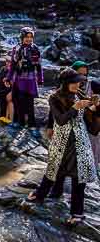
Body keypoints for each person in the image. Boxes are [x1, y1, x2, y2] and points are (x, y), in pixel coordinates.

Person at [27, 68, 99, 226]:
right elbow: (60, 120)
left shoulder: (79, 94)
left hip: (80, 141)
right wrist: (75, 107)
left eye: (78, 81)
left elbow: (91, 124)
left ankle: (77, 213)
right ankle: (40, 195)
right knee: (53, 169)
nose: (77, 84)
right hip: (62, 140)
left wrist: (94, 108)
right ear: (65, 83)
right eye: (74, 82)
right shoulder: (54, 97)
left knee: (79, 177)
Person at [7, 27, 43, 133]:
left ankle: (32, 125)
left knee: (30, 102)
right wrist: (9, 78)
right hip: (18, 79)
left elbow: (39, 65)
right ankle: (20, 122)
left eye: (31, 37)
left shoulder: (35, 49)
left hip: (30, 80)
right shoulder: (16, 48)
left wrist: (40, 79)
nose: (29, 39)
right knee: (18, 101)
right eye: (27, 37)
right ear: (22, 37)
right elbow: (13, 65)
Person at [0, 56, 14, 124]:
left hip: (10, 90)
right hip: (2, 88)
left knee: (5, 98)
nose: (8, 63)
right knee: (1, 97)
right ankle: (2, 116)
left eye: (10, 62)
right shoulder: (3, 69)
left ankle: (6, 118)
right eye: (7, 61)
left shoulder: (14, 71)